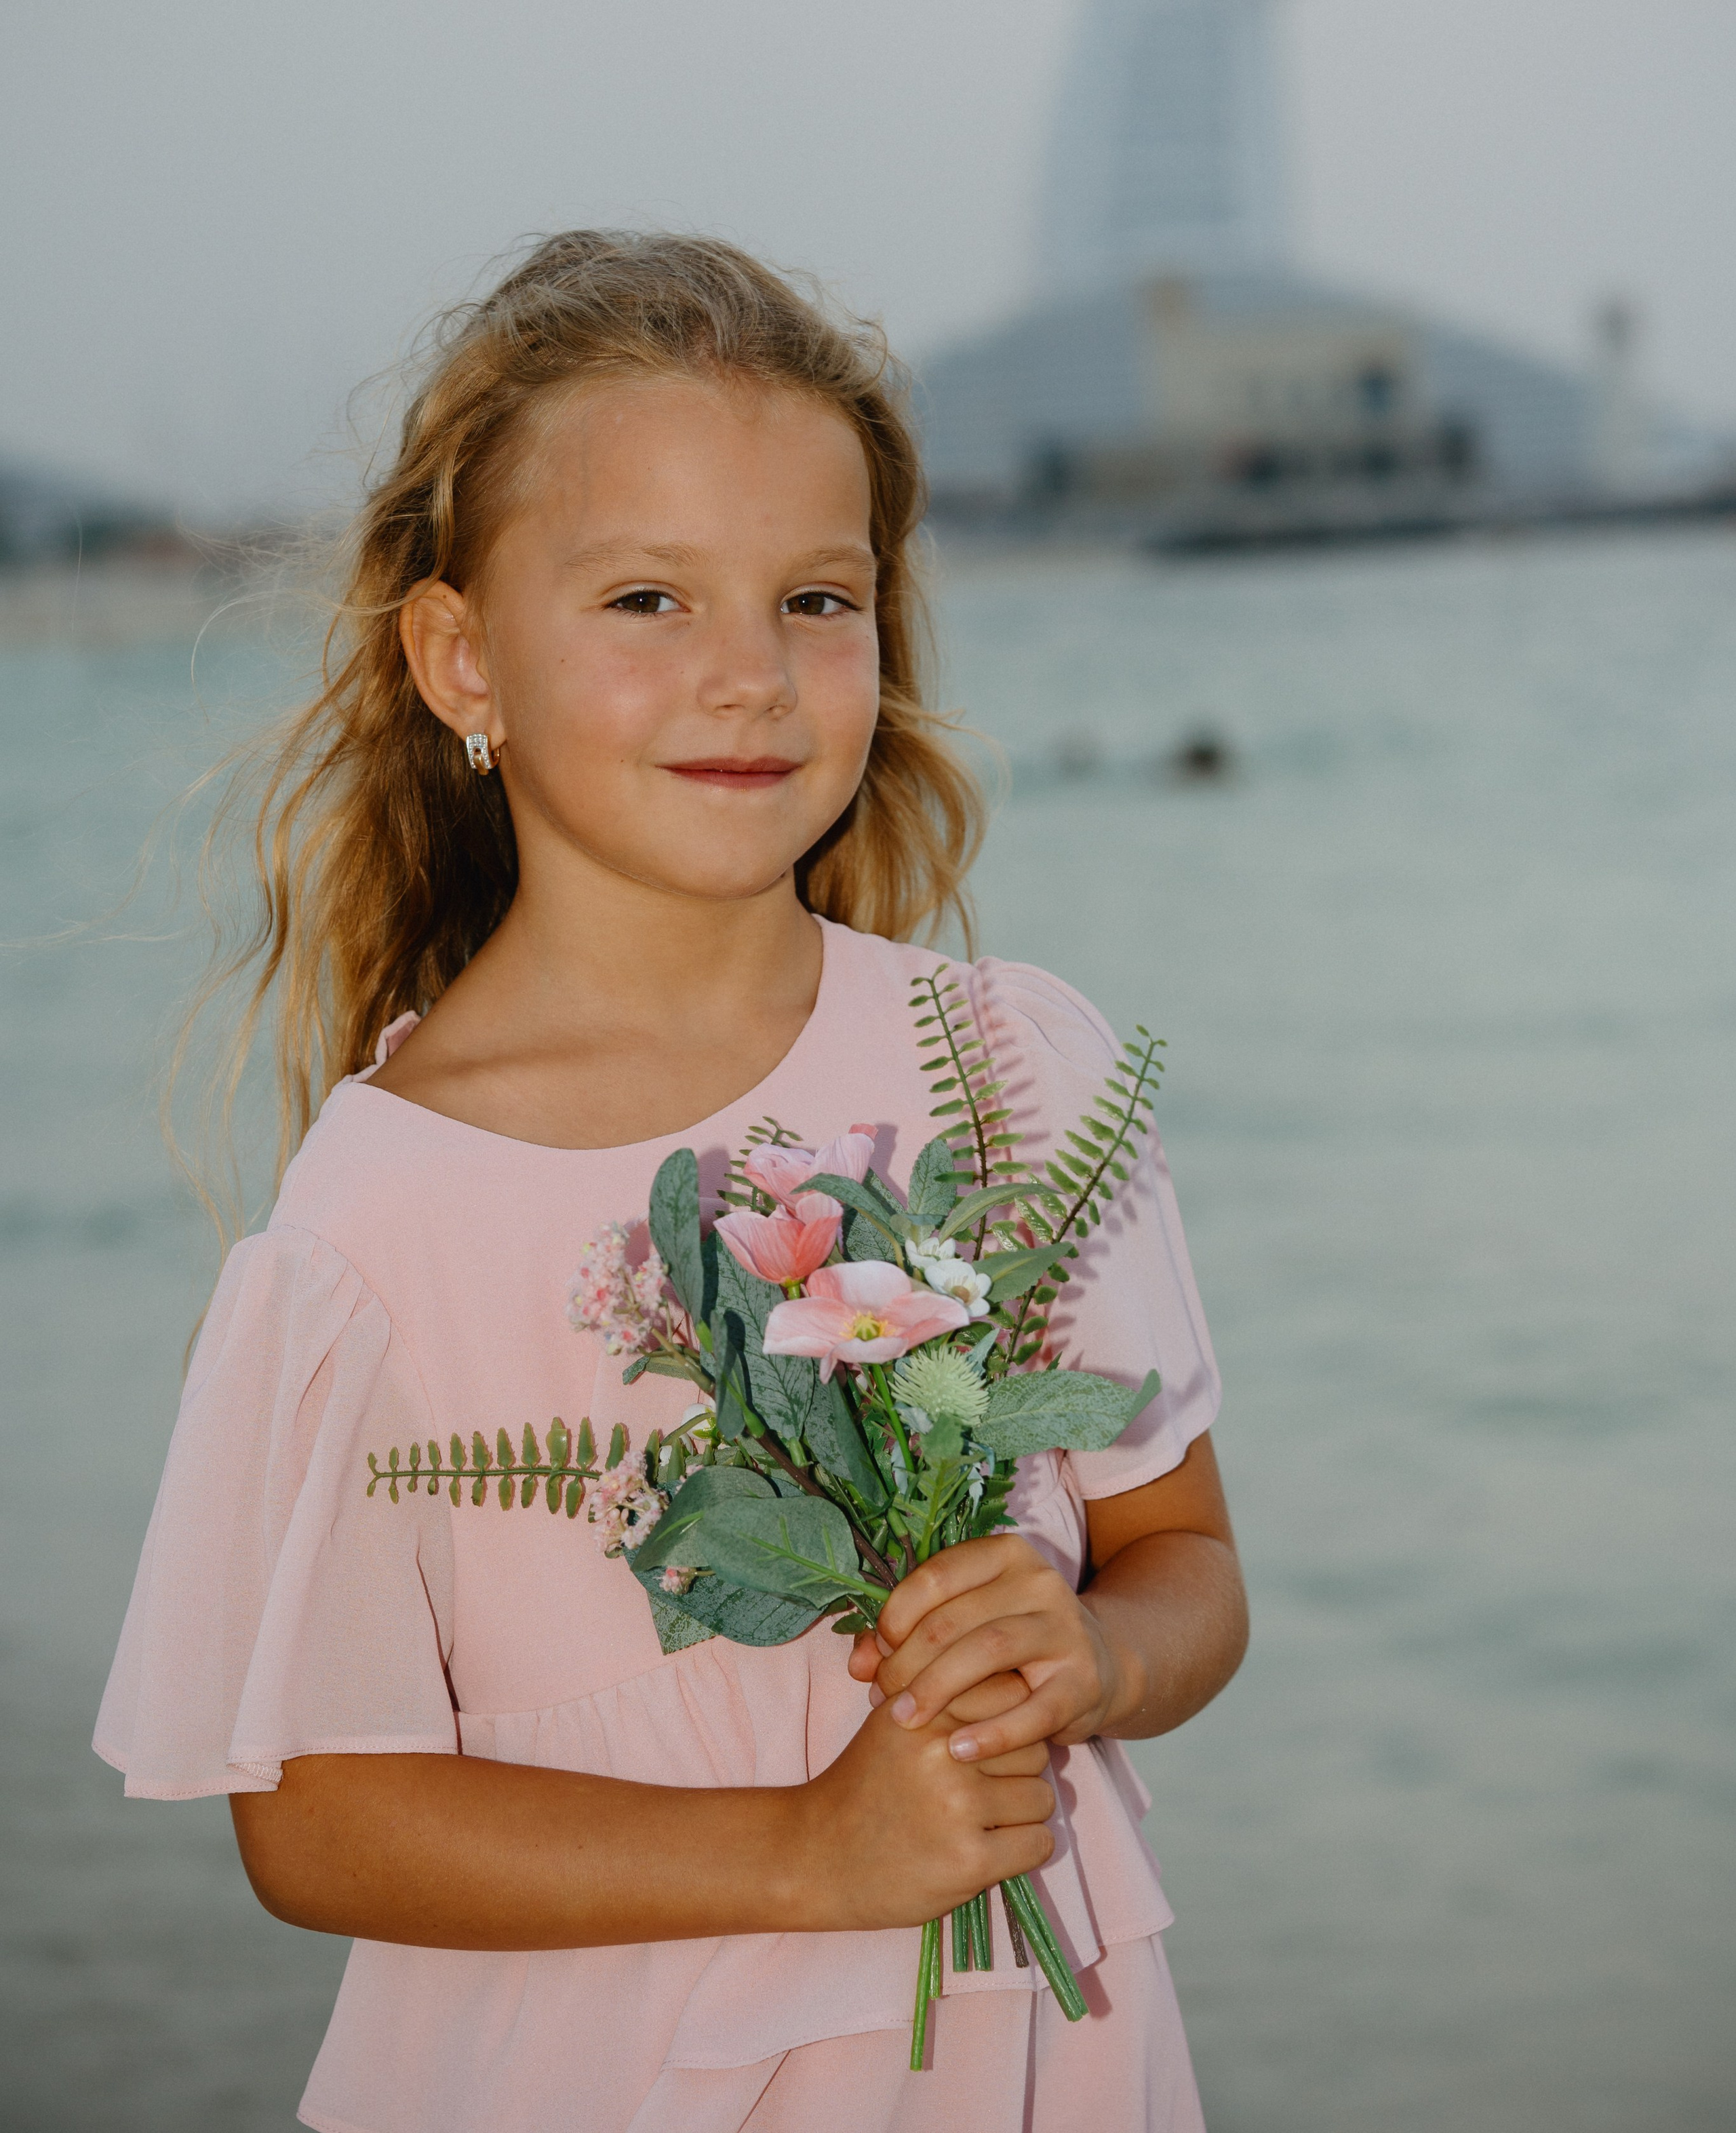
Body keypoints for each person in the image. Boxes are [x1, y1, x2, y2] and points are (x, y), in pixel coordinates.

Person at [95, 233, 1248, 2133]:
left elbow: (1187, 1565)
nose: (751, 676)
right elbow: (316, 1823)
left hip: (1027, 2061)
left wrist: (1096, 1655)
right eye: (648, 598)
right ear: (463, 658)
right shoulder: (380, 1218)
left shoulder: (1003, 1071)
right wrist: (809, 1852)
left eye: (817, 599)